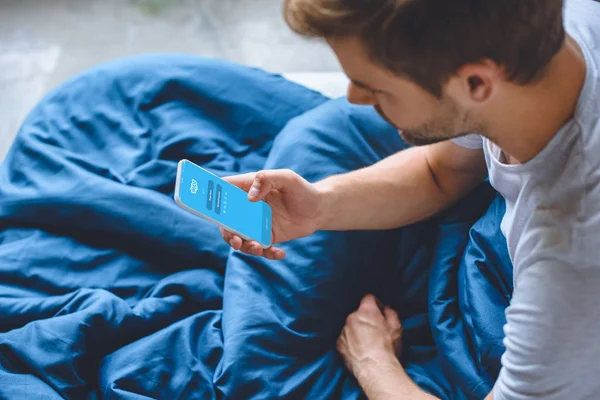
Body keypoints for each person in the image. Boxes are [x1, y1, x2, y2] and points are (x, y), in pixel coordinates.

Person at [220, 0, 600, 398]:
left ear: (476, 84)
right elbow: (442, 171)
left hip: (532, 313)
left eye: (374, 87)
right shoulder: (553, 28)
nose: (354, 96)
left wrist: (373, 363)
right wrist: (319, 206)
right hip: (493, 240)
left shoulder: (571, 260)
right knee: (323, 134)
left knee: (264, 374)